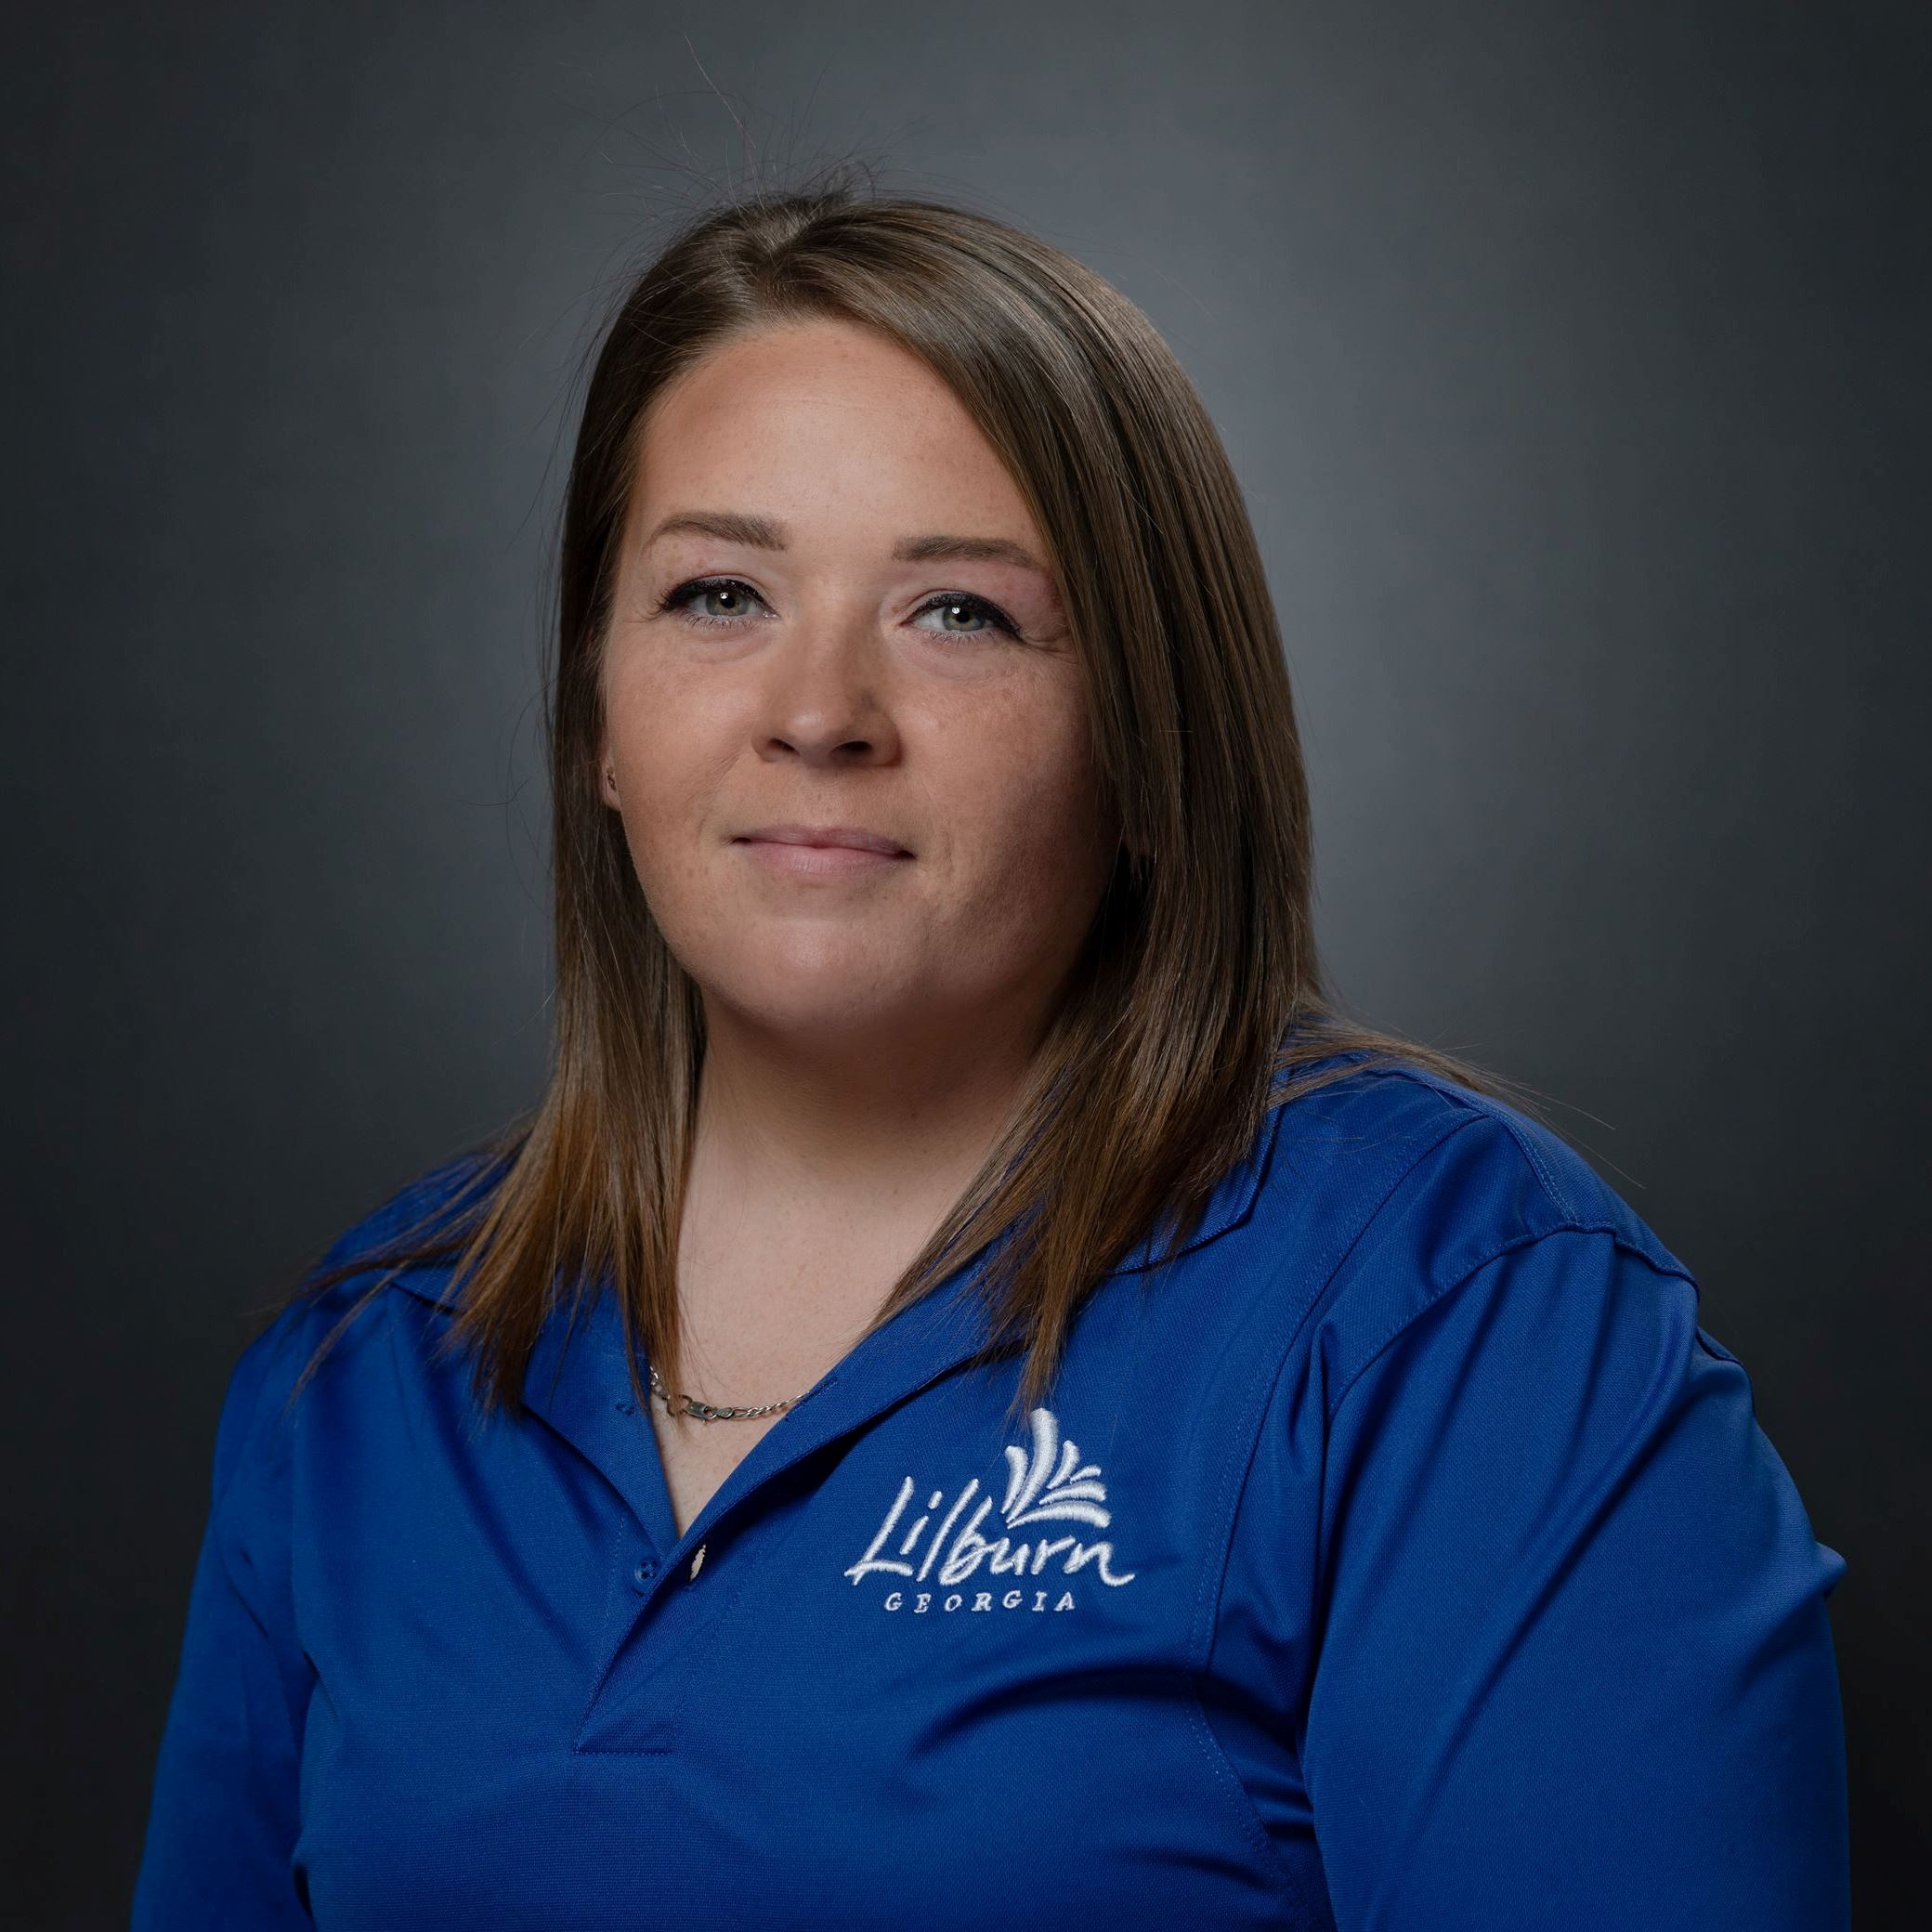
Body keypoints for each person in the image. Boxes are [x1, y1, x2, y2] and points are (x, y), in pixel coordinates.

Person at [130, 176, 1850, 1930]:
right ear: (598, 722)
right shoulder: (356, 1381)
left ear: (1154, 740)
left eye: (960, 614)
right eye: (720, 594)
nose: (817, 713)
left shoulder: (1464, 1313)